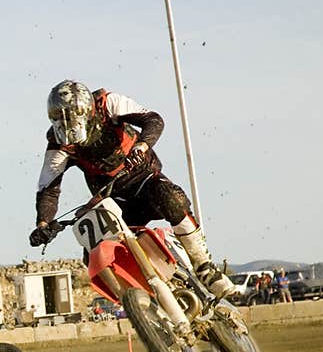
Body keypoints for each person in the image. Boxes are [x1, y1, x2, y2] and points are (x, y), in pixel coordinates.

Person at [28, 80, 235, 298]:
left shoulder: (109, 104)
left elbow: (153, 120)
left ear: (86, 110)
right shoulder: (59, 145)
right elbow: (48, 188)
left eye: (71, 116)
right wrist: (43, 223)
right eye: (61, 118)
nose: (68, 125)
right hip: (112, 200)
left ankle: (204, 267)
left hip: (144, 180)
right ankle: (140, 303)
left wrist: (142, 145)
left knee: (172, 199)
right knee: (93, 255)